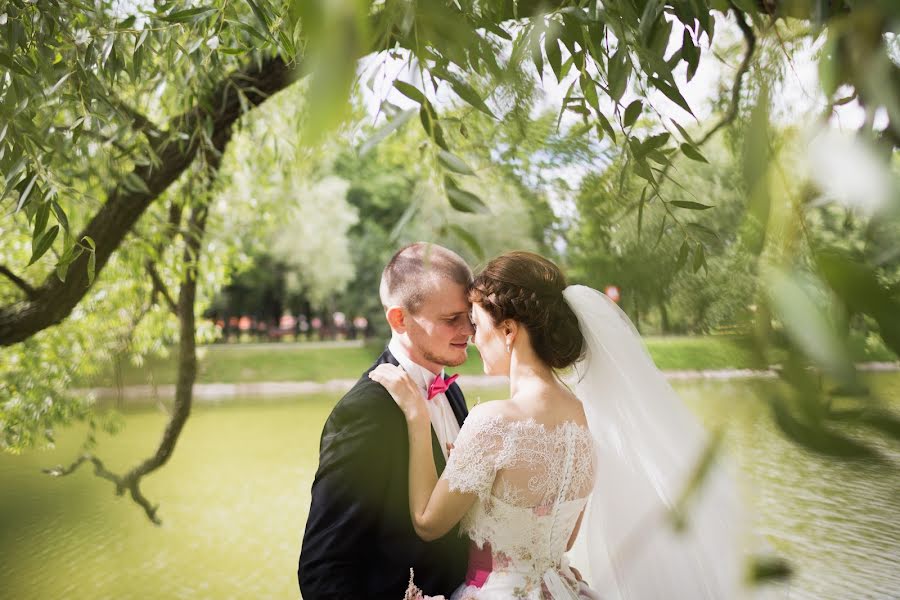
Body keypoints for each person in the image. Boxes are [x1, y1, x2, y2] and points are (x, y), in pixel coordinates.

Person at [371, 251, 747, 599]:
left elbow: (427, 523)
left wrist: (418, 418)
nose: (472, 336)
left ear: (507, 331)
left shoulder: (494, 421)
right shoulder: (587, 416)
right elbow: (562, 540)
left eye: (477, 322)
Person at [298, 242, 474, 598]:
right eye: (451, 319)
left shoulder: (451, 391)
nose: (468, 329)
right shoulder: (366, 411)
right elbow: (323, 568)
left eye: (470, 315)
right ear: (399, 319)